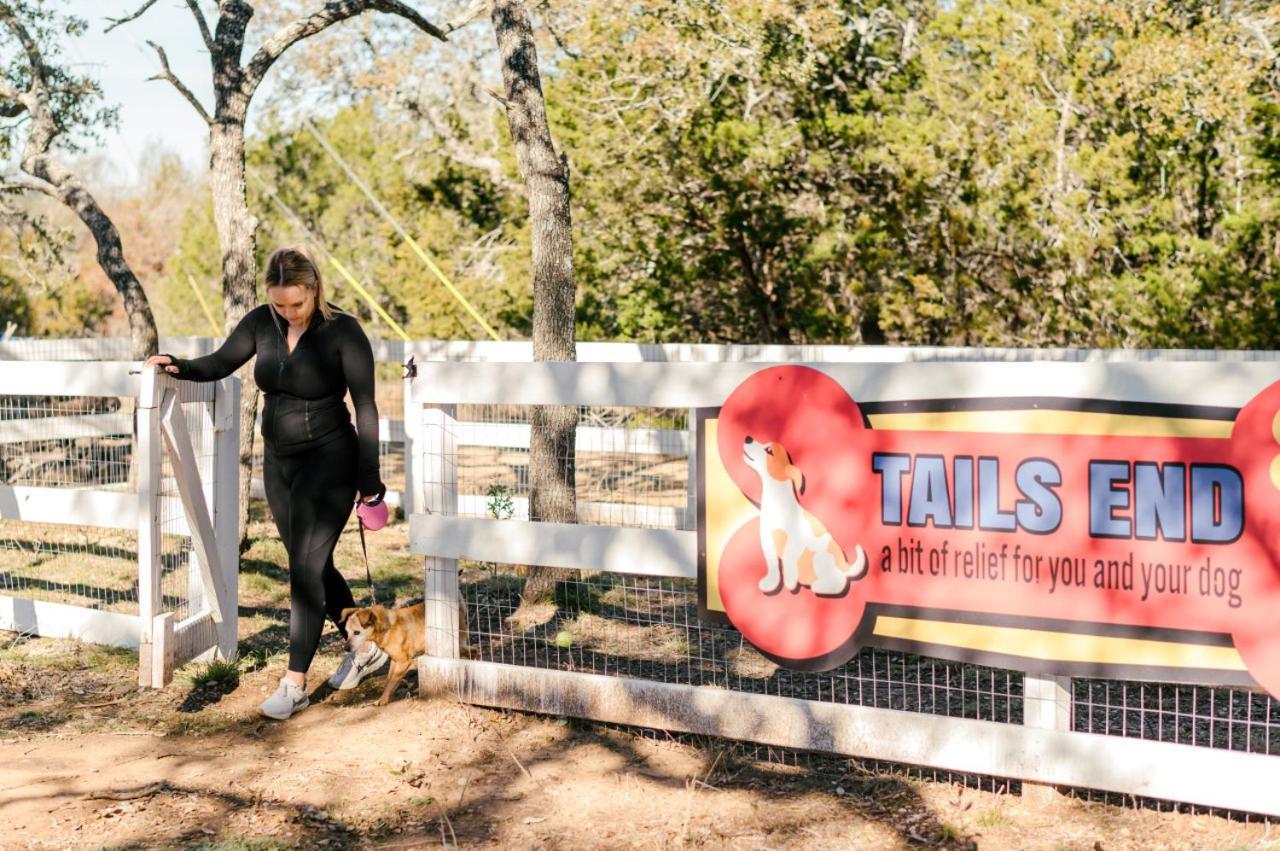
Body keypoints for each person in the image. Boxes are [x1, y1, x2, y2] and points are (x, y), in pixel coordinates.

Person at [146, 244, 390, 720]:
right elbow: (219, 362)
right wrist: (178, 364)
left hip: (331, 460)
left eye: (296, 303)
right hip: (279, 464)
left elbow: (365, 407)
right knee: (310, 566)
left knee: (304, 570)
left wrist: (370, 476)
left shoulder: (343, 331)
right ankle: (364, 650)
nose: (287, 312)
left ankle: (295, 684)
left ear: (315, 288)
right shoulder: (262, 321)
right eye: (279, 303)